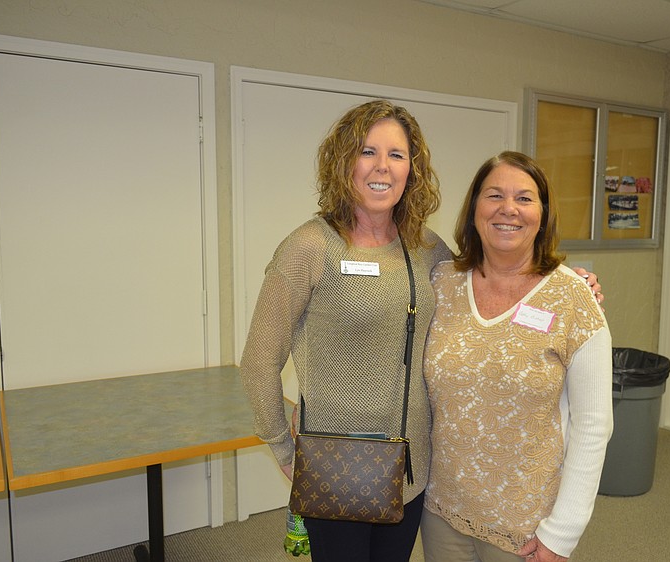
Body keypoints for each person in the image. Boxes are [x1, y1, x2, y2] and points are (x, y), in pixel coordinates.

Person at [240, 101, 603, 562]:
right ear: (342, 160)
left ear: (412, 169)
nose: (381, 167)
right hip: (338, 466)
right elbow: (258, 361)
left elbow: (489, 276)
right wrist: (283, 447)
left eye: (396, 155)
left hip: (413, 474)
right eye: (367, 151)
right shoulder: (309, 247)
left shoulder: (427, 249)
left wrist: (573, 284)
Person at [421, 151, 613, 562]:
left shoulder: (574, 298)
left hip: (528, 524)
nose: (509, 209)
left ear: (542, 214)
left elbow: (593, 424)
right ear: (474, 209)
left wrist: (563, 532)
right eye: (494, 195)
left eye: (525, 198)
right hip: (441, 510)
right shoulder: (442, 284)